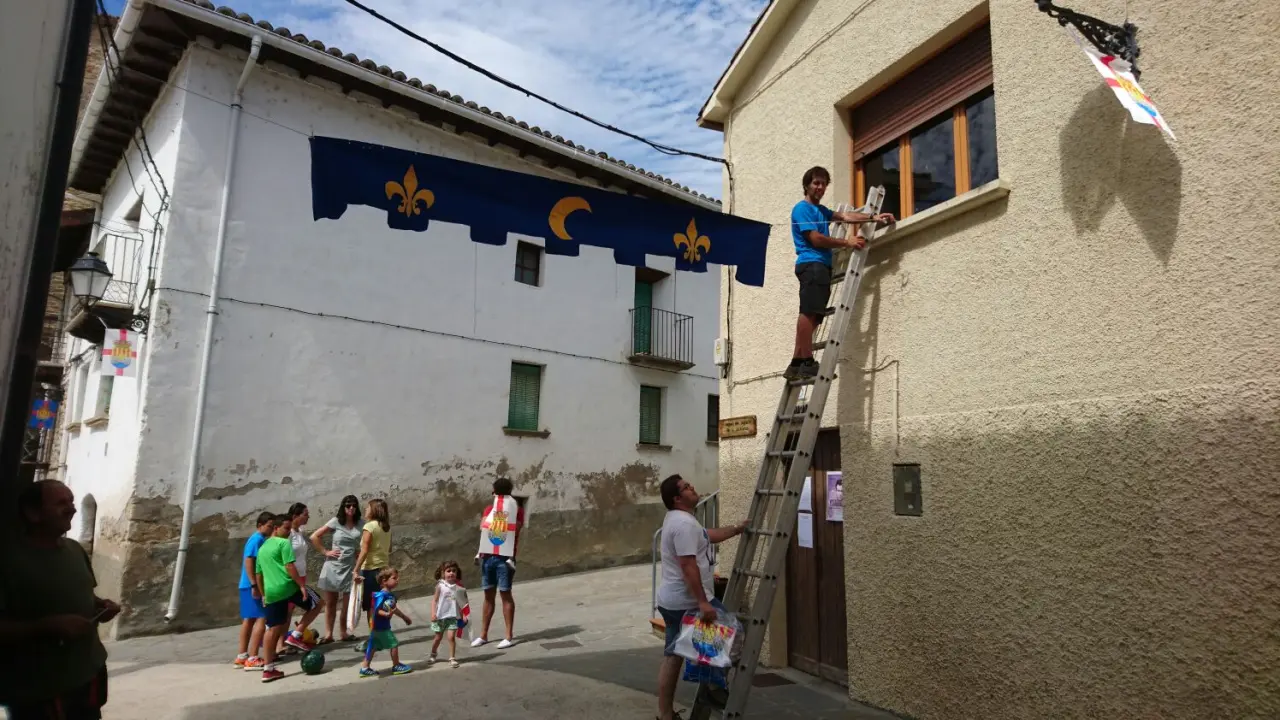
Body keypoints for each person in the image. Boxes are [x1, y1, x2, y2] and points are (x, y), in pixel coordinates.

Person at [0, 479, 121, 719]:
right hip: (38, 687)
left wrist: (100, 606)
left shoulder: (74, 550)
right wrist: (45, 626)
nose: (72, 509)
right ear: (33, 513)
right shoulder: (8, 560)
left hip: (88, 673)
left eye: (72, 502)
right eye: (61, 503)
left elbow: (84, 594)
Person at [785, 165, 895, 380]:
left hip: (820, 266)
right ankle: (806, 361)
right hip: (812, 264)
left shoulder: (821, 211)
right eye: (816, 183)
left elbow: (845, 215)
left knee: (814, 316)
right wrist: (847, 242)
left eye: (824, 184)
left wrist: (872, 218)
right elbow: (816, 239)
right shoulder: (802, 209)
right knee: (809, 313)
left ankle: (796, 363)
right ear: (807, 185)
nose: (820, 187)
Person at [654, 474, 748, 720]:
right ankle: (712, 689)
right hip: (687, 602)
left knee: (673, 656)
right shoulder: (684, 525)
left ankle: (665, 715)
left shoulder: (680, 519)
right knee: (733, 633)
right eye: (686, 487)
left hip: (672, 601)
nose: (692, 487)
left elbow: (706, 536)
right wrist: (703, 603)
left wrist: (736, 529)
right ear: (677, 499)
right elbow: (688, 566)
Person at [255, 513, 323, 682]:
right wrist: (301, 586)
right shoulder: (283, 543)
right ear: (276, 528)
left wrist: (263, 594)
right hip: (288, 587)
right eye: (286, 528)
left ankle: (268, 669)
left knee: (272, 628)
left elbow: (259, 574)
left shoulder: (262, 548)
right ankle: (296, 635)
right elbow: (289, 566)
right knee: (318, 603)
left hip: (271, 592)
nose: (288, 532)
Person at [471, 477, 524, 650]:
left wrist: (503, 516)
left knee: (505, 594)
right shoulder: (490, 508)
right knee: (488, 595)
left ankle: (508, 636)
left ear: (494, 491)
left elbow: (515, 529)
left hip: (505, 557)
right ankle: (483, 635)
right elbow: (483, 527)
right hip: (488, 556)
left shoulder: (516, 509)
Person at [311, 495, 362, 643]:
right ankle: (328, 634)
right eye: (348, 505)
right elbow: (315, 536)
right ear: (343, 507)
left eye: (354, 505)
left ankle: (344, 632)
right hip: (333, 566)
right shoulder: (335, 521)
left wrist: (359, 551)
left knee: (347, 603)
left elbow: (366, 540)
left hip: (350, 567)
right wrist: (325, 551)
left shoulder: (360, 523)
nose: (351, 508)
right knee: (331, 603)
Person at [234, 511, 274, 670]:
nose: (271, 529)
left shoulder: (259, 539)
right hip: (252, 585)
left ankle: (242, 656)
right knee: (261, 618)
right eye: (269, 526)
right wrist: (254, 585)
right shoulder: (257, 540)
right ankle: (252, 657)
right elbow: (249, 560)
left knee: (249, 619)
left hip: (247, 585)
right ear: (260, 525)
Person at [352, 498, 391, 651]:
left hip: (370, 570)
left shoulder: (369, 526)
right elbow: (389, 548)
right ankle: (379, 636)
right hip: (383, 569)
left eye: (368, 507)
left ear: (374, 510)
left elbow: (365, 550)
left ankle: (373, 639)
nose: (366, 510)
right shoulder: (386, 527)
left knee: (371, 607)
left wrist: (356, 569)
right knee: (380, 605)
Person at [359, 568, 413, 678]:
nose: (397, 580)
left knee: (373, 646)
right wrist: (386, 614)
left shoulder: (390, 596)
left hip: (380, 627)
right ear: (384, 581)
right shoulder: (381, 595)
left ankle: (365, 667)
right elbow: (376, 610)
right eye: (394, 578)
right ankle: (396, 665)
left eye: (397, 578)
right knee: (394, 644)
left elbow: (394, 609)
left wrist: (404, 617)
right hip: (380, 627)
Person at [280, 502, 310, 655]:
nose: (308, 517)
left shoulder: (300, 531)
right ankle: (280, 643)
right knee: (286, 611)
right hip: (293, 576)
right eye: (305, 514)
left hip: (301, 574)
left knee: (290, 611)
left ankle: (284, 641)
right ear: (295, 516)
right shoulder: (289, 534)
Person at [429, 560, 464, 668]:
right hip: (440, 617)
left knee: (451, 637)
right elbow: (434, 600)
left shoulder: (459, 587)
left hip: (453, 616)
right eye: (448, 571)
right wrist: (433, 613)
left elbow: (461, 603)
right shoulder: (440, 586)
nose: (451, 573)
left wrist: (463, 616)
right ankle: (433, 653)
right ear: (443, 573)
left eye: (454, 571)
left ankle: (452, 658)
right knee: (438, 638)